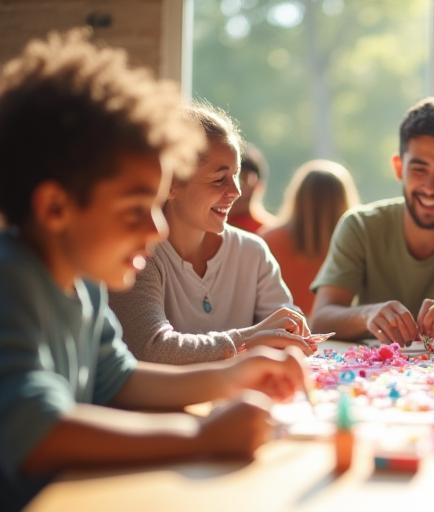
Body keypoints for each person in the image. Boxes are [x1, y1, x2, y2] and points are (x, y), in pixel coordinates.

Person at [0, 30, 308, 509]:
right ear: (55, 207)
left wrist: (237, 374)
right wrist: (200, 436)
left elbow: (121, 380)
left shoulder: (84, 286)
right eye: (135, 208)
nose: (156, 227)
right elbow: (38, 432)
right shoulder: (9, 282)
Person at [109, 103, 313, 365]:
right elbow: (152, 348)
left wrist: (291, 334)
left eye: (237, 175)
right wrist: (248, 339)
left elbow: (287, 332)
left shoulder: (253, 252)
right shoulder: (140, 255)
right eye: (219, 179)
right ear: (171, 184)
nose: (237, 191)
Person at [310, 97, 434, 345]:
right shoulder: (360, 225)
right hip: (373, 377)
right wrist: (367, 314)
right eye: (419, 168)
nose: (430, 186)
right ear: (398, 167)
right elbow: (320, 319)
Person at [263, 159, 360, 315]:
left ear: (296, 195)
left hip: (278, 331)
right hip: (336, 334)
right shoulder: (355, 247)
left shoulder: (266, 242)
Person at [227, 143, 278, 233]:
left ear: (258, 185)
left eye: (244, 180)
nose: (237, 190)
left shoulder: (270, 232)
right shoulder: (213, 227)